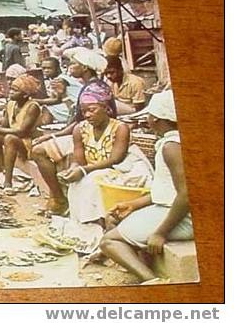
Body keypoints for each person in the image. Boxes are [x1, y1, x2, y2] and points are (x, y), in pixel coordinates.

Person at [100, 90, 191, 284]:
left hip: (186, 218)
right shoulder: (172, 142)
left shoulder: (171, 147)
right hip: (175, 209)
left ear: (157, 119)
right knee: (114, 218)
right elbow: (169, 189)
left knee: (109, 241)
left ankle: (152, 281)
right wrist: (134, 204)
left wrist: (160, 232)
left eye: (149, 116)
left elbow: (186, 194)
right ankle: (145, 265)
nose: (147, 120)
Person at [30, 48, 114, 216]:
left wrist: (56, 135)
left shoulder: (94, 89)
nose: (70, 67)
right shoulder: (89, 86)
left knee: (38, 151)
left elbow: (82, 122)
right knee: (42, 145)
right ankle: (58, 197)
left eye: (74, 64)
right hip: (83, 130)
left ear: (85, 68)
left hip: (95, 134)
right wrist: (56, 134)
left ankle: (58, 198)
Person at [55, 82, 152, 226]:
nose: (87, 115)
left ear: (106, 108)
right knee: (76, 184)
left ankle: (99, 224)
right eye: (83, 111)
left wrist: (83, 170)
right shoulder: (79, 129)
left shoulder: (120, 128)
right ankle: (83, 226)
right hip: (91, 171)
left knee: (92, 182)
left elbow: (115, 159)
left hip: (119, 172)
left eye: (92, 110)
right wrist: (73, 169)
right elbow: (79, 160)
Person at [0, 74, 41, 191]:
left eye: (15, 90)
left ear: (25, 94)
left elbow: (22, 132)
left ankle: (8, 182)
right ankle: (3, 169)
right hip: (14, 137)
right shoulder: (11, 104)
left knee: (9, 138)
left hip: (28, 143)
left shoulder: (33, 107)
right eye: (11, 88)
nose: (11, 92)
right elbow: (4, 126)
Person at [34, 57, 82, 125]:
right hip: (71, 104)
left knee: (47, 108)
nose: (46, 70)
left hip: (74, 106)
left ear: (57, 68)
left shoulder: (60, 80)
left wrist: (34, 101)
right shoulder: (58, 78)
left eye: (49, 68)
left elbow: (56, 100)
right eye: (44, 68)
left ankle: (44, 125)